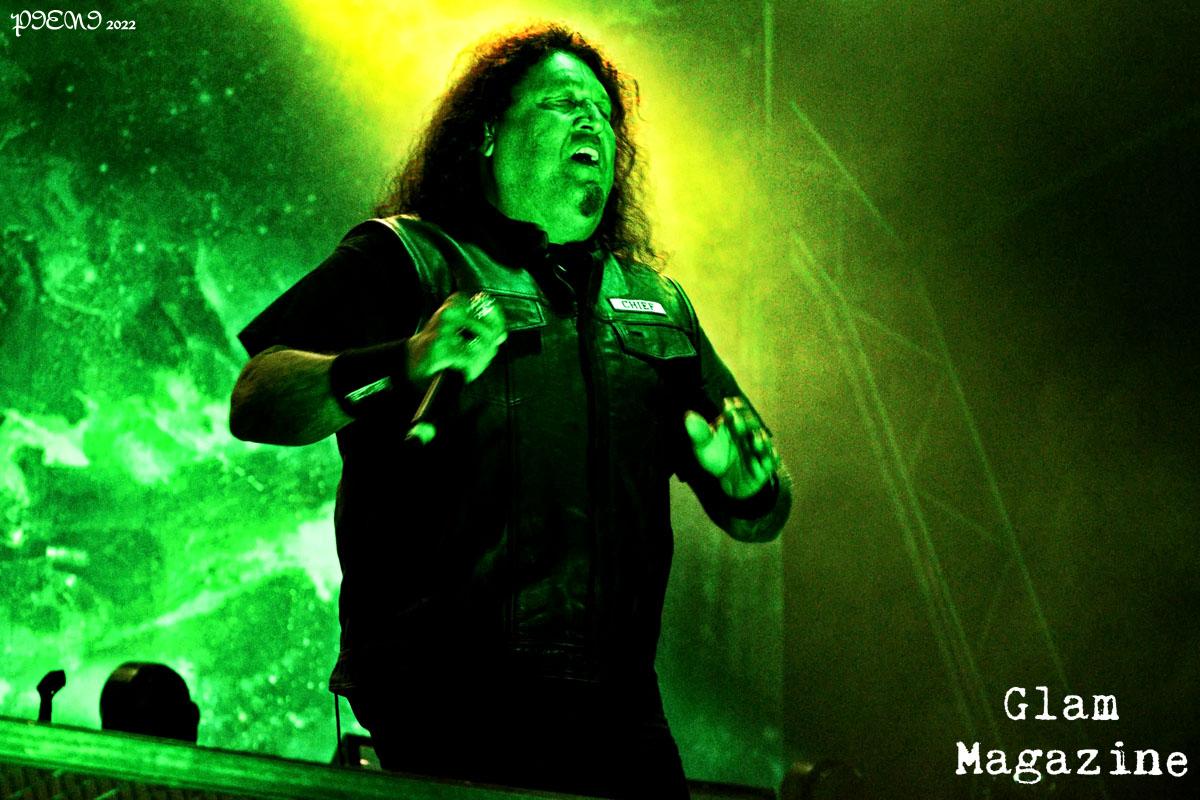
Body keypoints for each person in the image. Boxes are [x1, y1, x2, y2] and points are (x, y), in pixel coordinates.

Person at [229, 23, 791, 799]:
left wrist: (745, 484)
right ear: (488, 133)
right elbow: (257, 398)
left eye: (604, 114)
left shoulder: (656, 304)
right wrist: (403, 362)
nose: (591, 121)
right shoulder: (408, 257)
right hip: (445, 699)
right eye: (562, 102)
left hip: (620, 709)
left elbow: (765, 514)